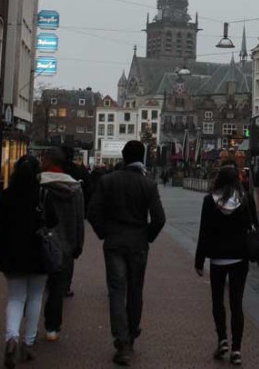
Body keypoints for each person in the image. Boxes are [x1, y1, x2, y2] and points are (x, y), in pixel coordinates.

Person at [88, 140, 166, 366]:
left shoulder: (108, 181)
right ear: (142, 158)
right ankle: (131, 334)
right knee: (135, 289)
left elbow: (93, 211)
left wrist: (104, 232)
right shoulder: (148, 184)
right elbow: (159, 219)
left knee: (116, 291)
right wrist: (146, 236)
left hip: (114, 242)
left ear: (123, 157)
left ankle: (121, 341)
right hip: (138, 244)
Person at [0, 155, 57, 368]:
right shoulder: (43, 194)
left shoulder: (7, 195)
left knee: (15, 298)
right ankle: (27, 344)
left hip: (12, 253)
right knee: (36, 297)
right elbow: (54, 221)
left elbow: (0, 229)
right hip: (38, 252)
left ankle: (11, 338)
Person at [194, 165, 257, 366]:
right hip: (240, 258)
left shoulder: (209, 201)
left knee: (217, 300)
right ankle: (237, 349)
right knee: (236, 303)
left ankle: (222, 339)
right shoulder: (245, 199)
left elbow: (204, 232)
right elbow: (252, 225)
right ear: (237, 180)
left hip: (218, 258)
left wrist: (199, 260)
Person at [39, 147, 86, 341]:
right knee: (58, 288)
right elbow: (79, 219)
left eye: (43, 159)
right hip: (65, 244)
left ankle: (28, 328)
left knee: (35, 288)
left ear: (49, 161)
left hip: (41, 242)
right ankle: (52, 327)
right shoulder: (75, 188)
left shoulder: (39, 184)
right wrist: (78, 245)